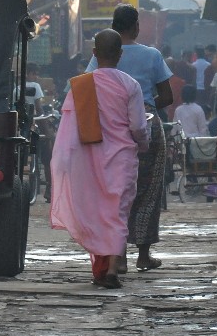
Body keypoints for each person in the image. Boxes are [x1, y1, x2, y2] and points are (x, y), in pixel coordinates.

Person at [50, 29, 151, 289]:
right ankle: (112, 268)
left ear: (94, 53)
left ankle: (107, 268)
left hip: (88, 159)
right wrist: (144, 144)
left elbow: (68, 129)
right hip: (122, 157)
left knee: (97, 210)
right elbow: (139, 126)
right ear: (120, 54)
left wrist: (64, 163)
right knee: (117, 211)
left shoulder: (80, 85)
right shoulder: (130, 84)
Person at [85, 3, 174, 274]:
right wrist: (143, 105)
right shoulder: (152, 55)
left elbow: (89, 85)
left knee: (116, 189)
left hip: (111, 126)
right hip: (146, 125)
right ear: (136, 26)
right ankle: (144, 255)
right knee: (148, 190)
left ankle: (118, 255)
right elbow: (167, 97)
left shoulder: (104, 53)